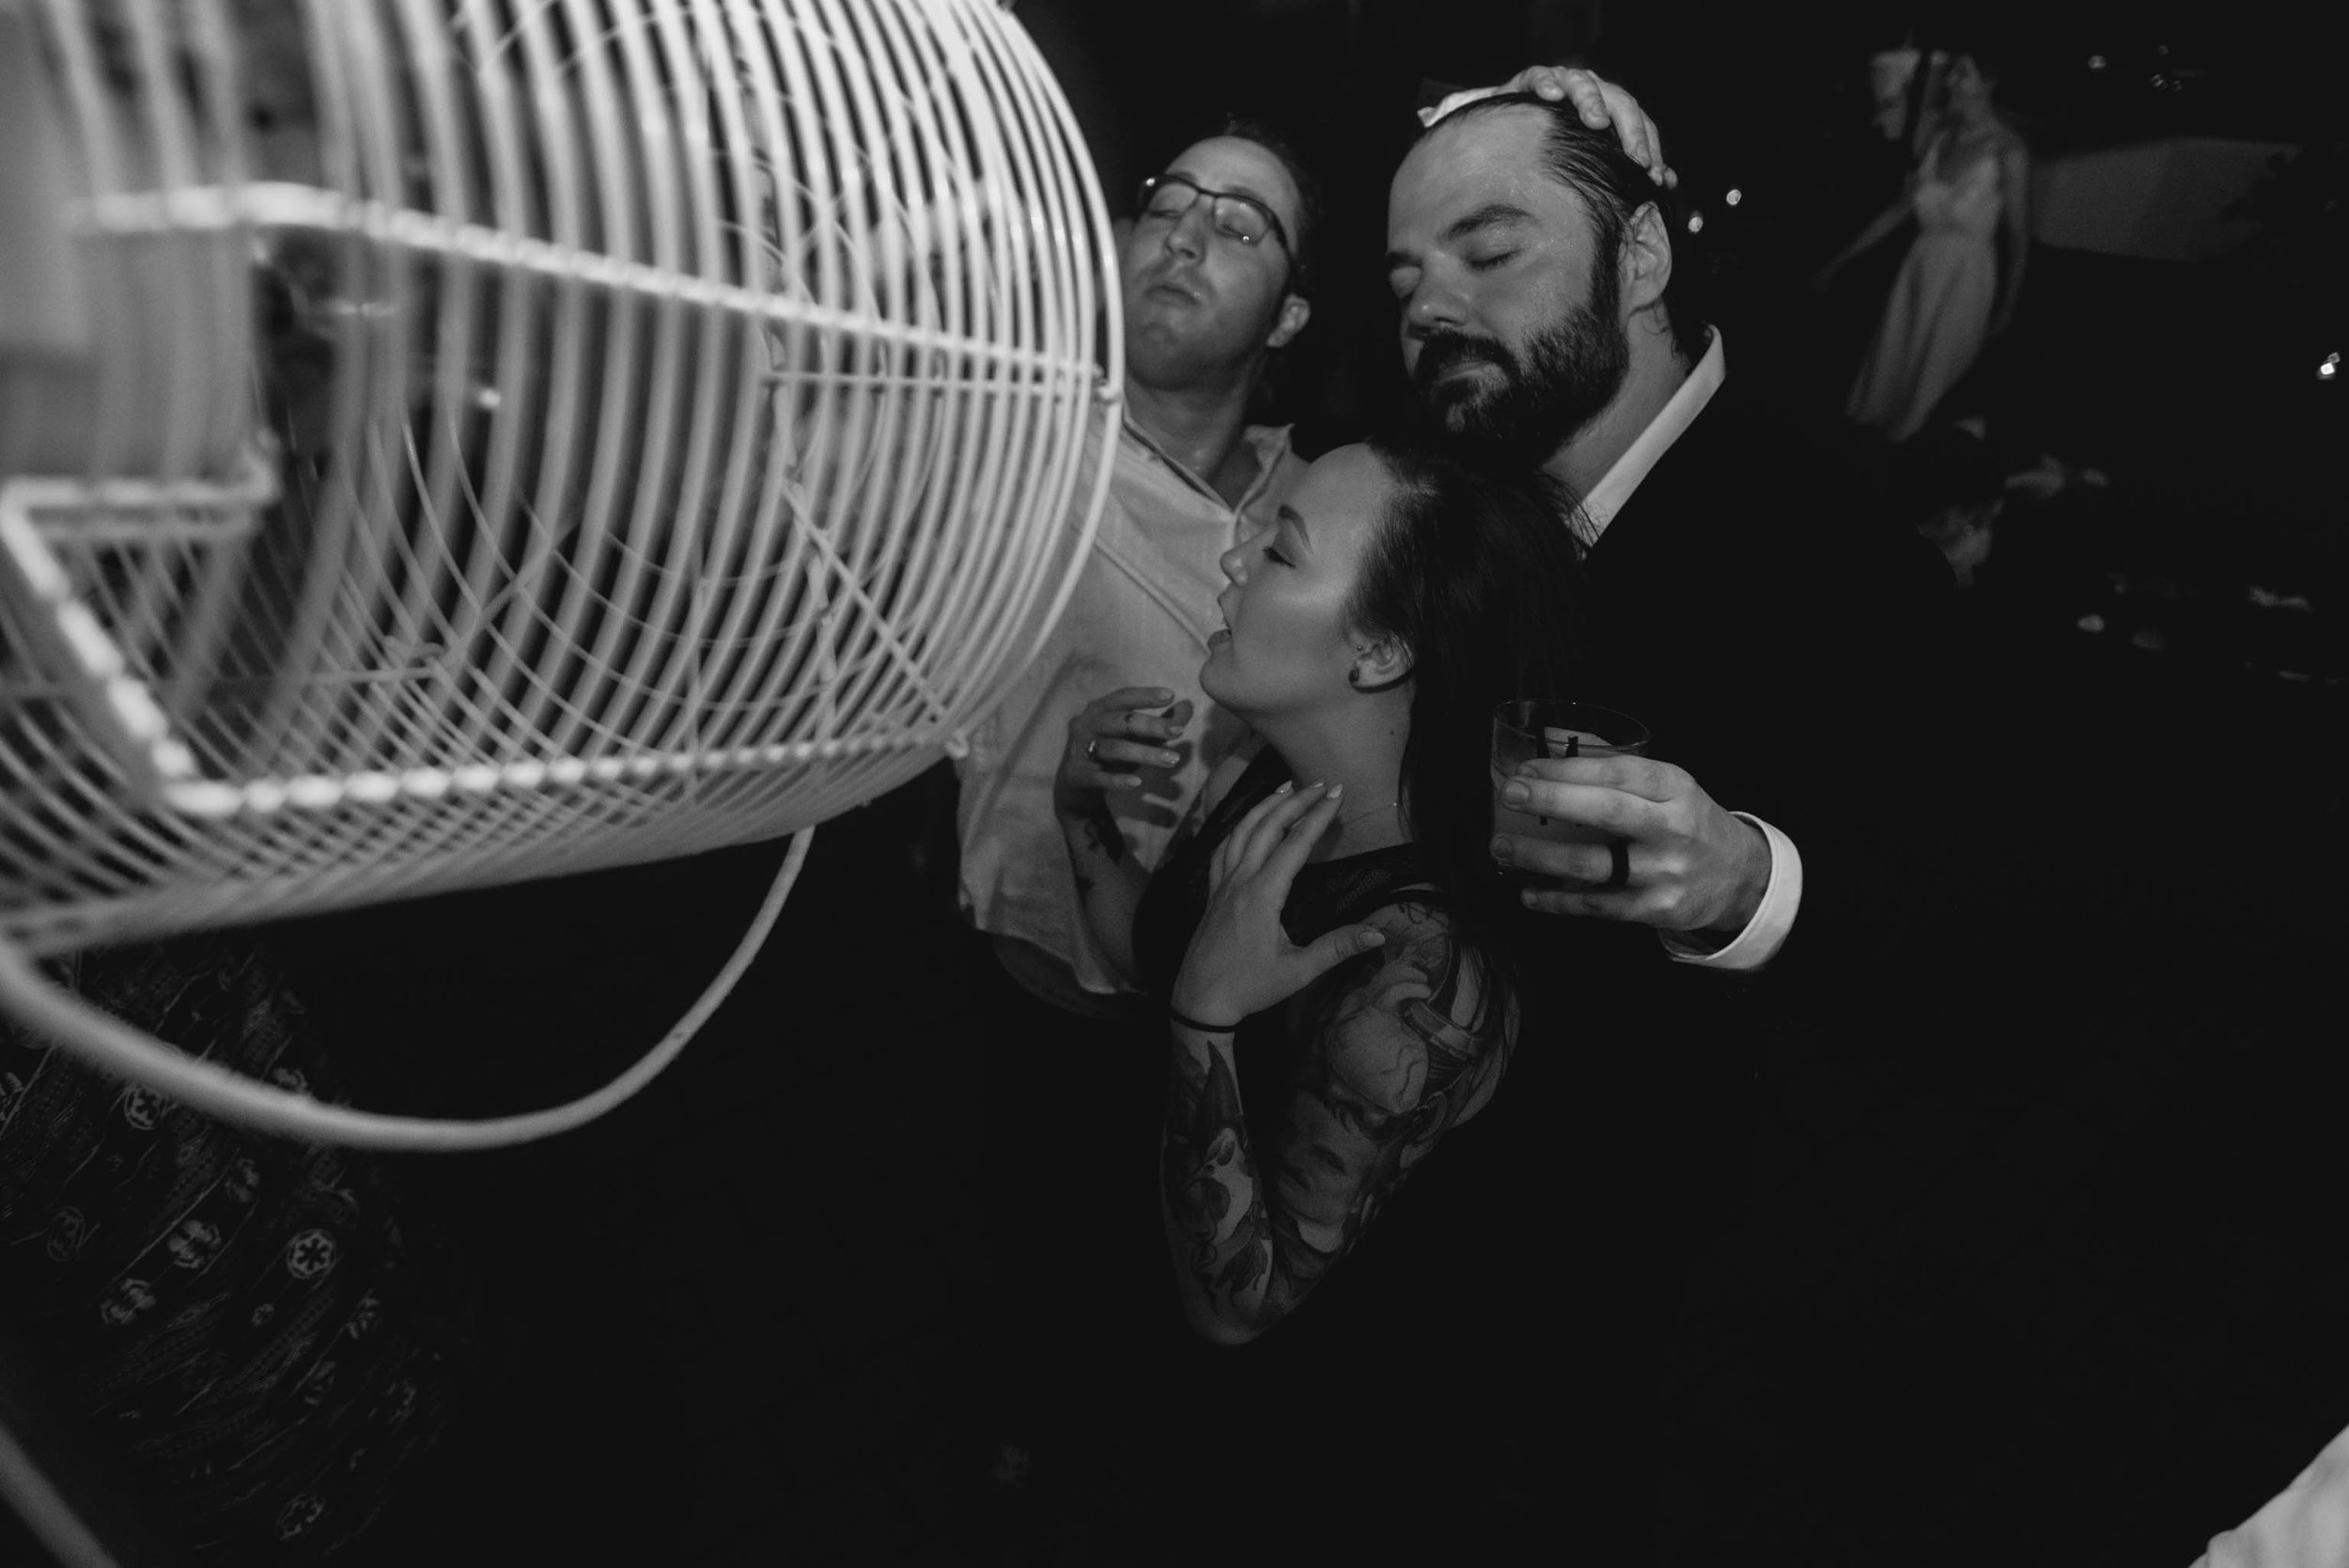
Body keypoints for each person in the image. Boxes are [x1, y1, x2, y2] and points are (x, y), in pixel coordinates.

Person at [1050, 438, 1590, 1553]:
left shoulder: (1421, 968)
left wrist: (1208, 1014)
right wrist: (1083, 818)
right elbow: (1160, 965)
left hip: (1291, 1466)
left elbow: (1237, 1304)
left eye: (1281, 547)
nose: (1237, 553)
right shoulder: (1275, 773)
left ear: (1381, 649)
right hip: (1138, 1349)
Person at [1818, 49, 2032, 441]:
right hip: (1919, 268)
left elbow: (2018, 238)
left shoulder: (2009, 152)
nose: (1950, 82)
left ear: (1988, 82)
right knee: (1896, 374)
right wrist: (1838, 262)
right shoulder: (1940, 140)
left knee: (1933, 385)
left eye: (1961, 74)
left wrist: (2008, 309)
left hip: (1965, 276)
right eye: (1951, 74)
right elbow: (1898, 211)